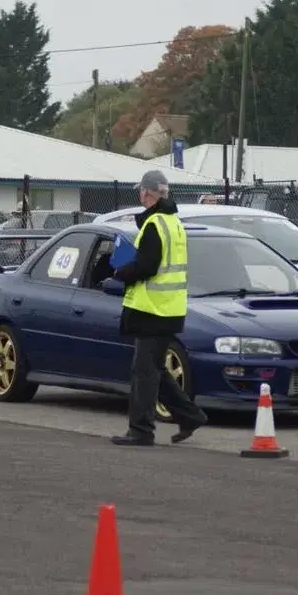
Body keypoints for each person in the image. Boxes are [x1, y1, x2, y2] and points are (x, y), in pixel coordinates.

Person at [107, 170, 208, 446]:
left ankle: (141, 430)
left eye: (142, 191)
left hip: (153, 309)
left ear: (147, 194)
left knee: (144, 371)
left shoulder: (154, 224)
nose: (140, 195)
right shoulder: (173, 222)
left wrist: (118, 275)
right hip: (169, 309)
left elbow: (147, 266)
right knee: (154, 368)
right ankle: (190, 416)